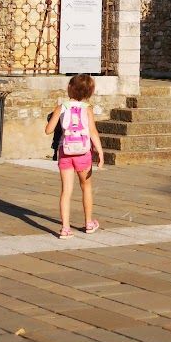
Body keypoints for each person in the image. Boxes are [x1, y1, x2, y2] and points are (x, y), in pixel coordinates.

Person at [44, 73, 103, 237]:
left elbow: (48, 130)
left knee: (66, 191)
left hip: (66, 151)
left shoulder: (61, 107)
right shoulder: (88, 109)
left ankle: (65, 228)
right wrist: (100, 152)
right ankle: (89, 223)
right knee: (86, 187)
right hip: (83, 153)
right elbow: (93, 132)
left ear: (70, 88)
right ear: (88, 93)